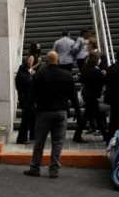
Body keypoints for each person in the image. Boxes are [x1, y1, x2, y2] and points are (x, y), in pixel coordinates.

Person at [24, 51, 80, 179]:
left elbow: (32, 95)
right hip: (61, 112)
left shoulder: (39, 75)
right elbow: (74, 96)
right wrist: (77, 112)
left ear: (47, 61)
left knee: (39, 142)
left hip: (43, 112)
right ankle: (53, 170)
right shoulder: (67, 75)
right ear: (58, 60)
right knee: (58, 142)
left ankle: (35, 168)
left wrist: (28, 109)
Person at [76, 52, 108, 143]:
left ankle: (77, 135)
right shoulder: (96, 71)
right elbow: (102, 82)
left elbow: (81, 79)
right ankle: (105, 135)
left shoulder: (86, 69)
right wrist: (104, 75)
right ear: (96, 60)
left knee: (92, 116)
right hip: (93, 96)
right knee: (93, 116)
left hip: (88, 95)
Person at [15, 57, 35, 144]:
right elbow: (27, 83)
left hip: (28, 98)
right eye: (30, 61)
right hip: (25, 99)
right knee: (25, 120)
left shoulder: (25, 72)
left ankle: (31, 135)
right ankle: (21, 139)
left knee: (31, 117)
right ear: (26, 63)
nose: (32, 63)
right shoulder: (22, 74)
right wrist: (31, 75)